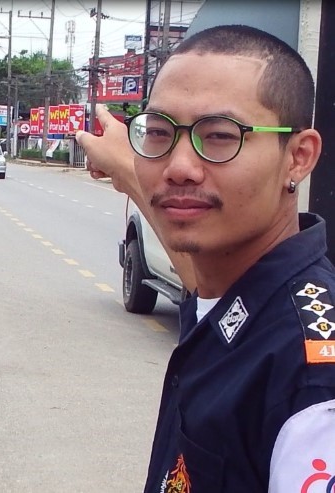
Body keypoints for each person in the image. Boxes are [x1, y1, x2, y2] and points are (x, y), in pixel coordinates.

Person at [77, 25, 335, 492]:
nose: (178, 167)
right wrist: (127, 172)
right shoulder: (230, 299)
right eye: (159, 133)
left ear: (298, 157)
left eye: (219, 136)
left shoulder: (312, 381)